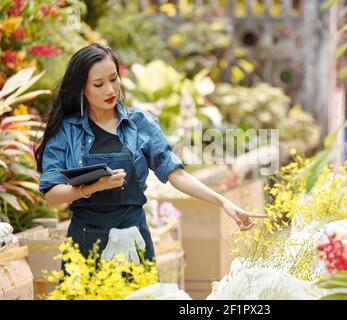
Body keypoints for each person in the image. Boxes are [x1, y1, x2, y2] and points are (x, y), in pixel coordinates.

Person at [34, 43, 266, 265]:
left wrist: (223, 202)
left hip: (134, 240)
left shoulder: (140, 124)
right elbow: (52, 194)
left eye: (114, 79)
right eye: (98, 84)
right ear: (82, 88)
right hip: (84, 245)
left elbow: (175, 174)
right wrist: (94, 187)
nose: (110, 90)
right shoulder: (67, 130)